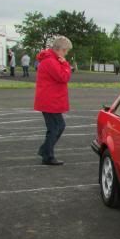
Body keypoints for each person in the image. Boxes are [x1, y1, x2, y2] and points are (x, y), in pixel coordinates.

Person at [34, 36, 73, 166]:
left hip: (49, 99)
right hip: (50, 100)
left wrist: (62, 64)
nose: (66, 54)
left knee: (55, 127)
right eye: (66, 51)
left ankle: (46, 151)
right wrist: (65, 64)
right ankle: (47, 154)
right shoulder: (51, 61)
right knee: (57, 127)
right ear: (60, 49)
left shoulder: (50, 60)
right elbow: (63, 77)